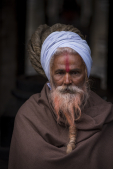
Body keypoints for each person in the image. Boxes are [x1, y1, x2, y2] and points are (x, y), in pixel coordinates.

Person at [8, 23, 113, 169]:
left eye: (75, 72)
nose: (67, 81)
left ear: (86, 75)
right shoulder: (29, 116)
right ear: (50, 75)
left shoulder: (107, 116)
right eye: (60, 73)